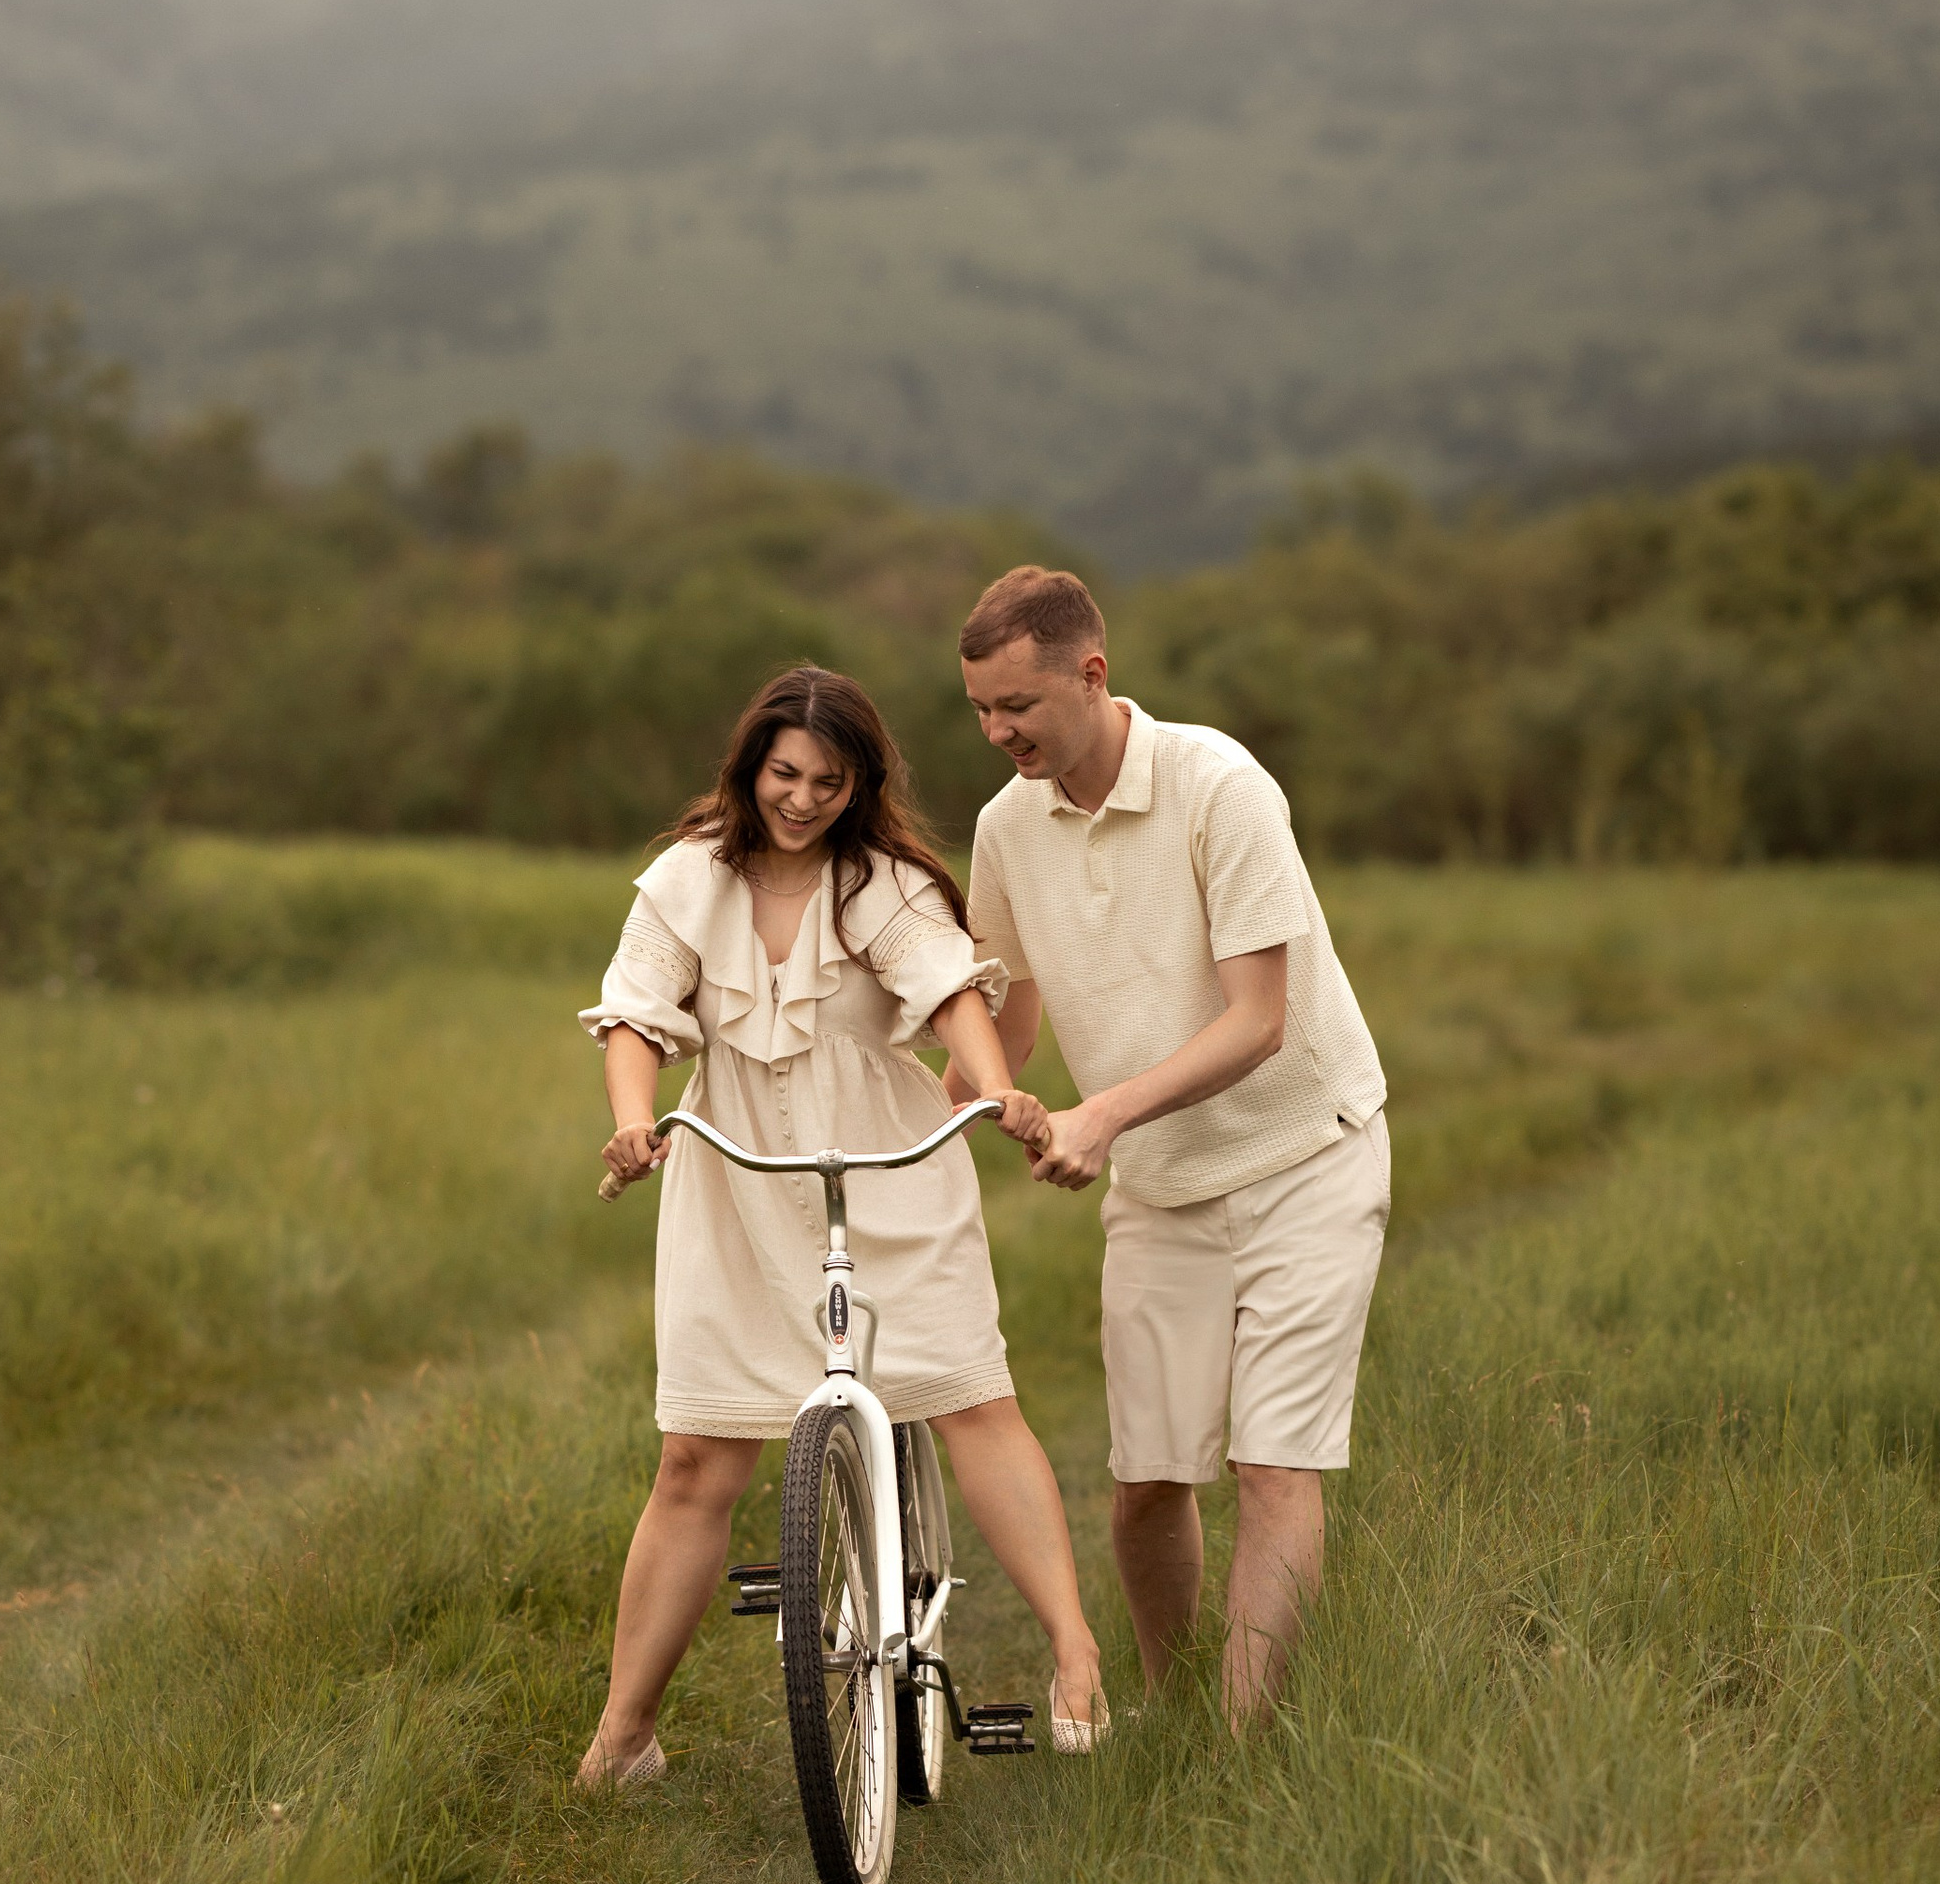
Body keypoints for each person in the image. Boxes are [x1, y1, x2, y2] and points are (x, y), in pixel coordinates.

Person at [578, 663, 1108, 1790]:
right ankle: (624, 1734)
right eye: (784, 773)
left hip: (888, 1167)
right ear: (750, 765)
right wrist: (633, 1126)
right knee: (693, 1458)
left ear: (859, 782)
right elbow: (634, 1013)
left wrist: (989, 1085)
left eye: (828, 779)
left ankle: (1074, 1655)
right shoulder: (687, 880)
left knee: (969, 1397)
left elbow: (951, 989)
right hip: (736, 1183)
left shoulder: (886, 884)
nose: (802, 798)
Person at [955, 566, 1389, 1730]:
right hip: (1160, 1190)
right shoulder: (1005, 829)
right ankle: (1170, 1715)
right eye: (981, 712)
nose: (998, 733)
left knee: (1272, 1465)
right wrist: (934, 1108)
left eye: (1019, 707)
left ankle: (1238, 1757)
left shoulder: (1219, 786)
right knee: (1146, 1483)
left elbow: (1259, 1019)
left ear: (1091, 674)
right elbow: (1007, 1019)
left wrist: (1098, 1116)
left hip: (1307, 1157)